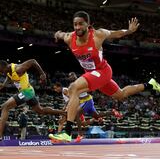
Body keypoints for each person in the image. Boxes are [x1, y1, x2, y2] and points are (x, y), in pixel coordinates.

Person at [49, 11, 160, 142]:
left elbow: (115, 33)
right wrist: (57, 34)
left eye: (80, 24)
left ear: (88, 24)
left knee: (74, 88)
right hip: (94, 76)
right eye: (75, 24)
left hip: (103, 71)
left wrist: (129, 31)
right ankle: (150, 84)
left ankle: (67, 132)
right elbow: (60, 34)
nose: (77, 27)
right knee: (121, 94)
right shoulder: (69, 38)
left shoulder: (97, 35)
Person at [0, 59, 65, 140]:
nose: (1, 73)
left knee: (5, 107)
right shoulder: (8, 72)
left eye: (1, 71)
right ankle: (63, 112)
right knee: (40, 111)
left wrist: (42, 73)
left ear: (4, 67)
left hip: (27, 92)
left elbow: (33, 61)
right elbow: (9, 78)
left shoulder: (18, 68)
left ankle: (0, 135)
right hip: (27, 93)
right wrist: (3, 85)